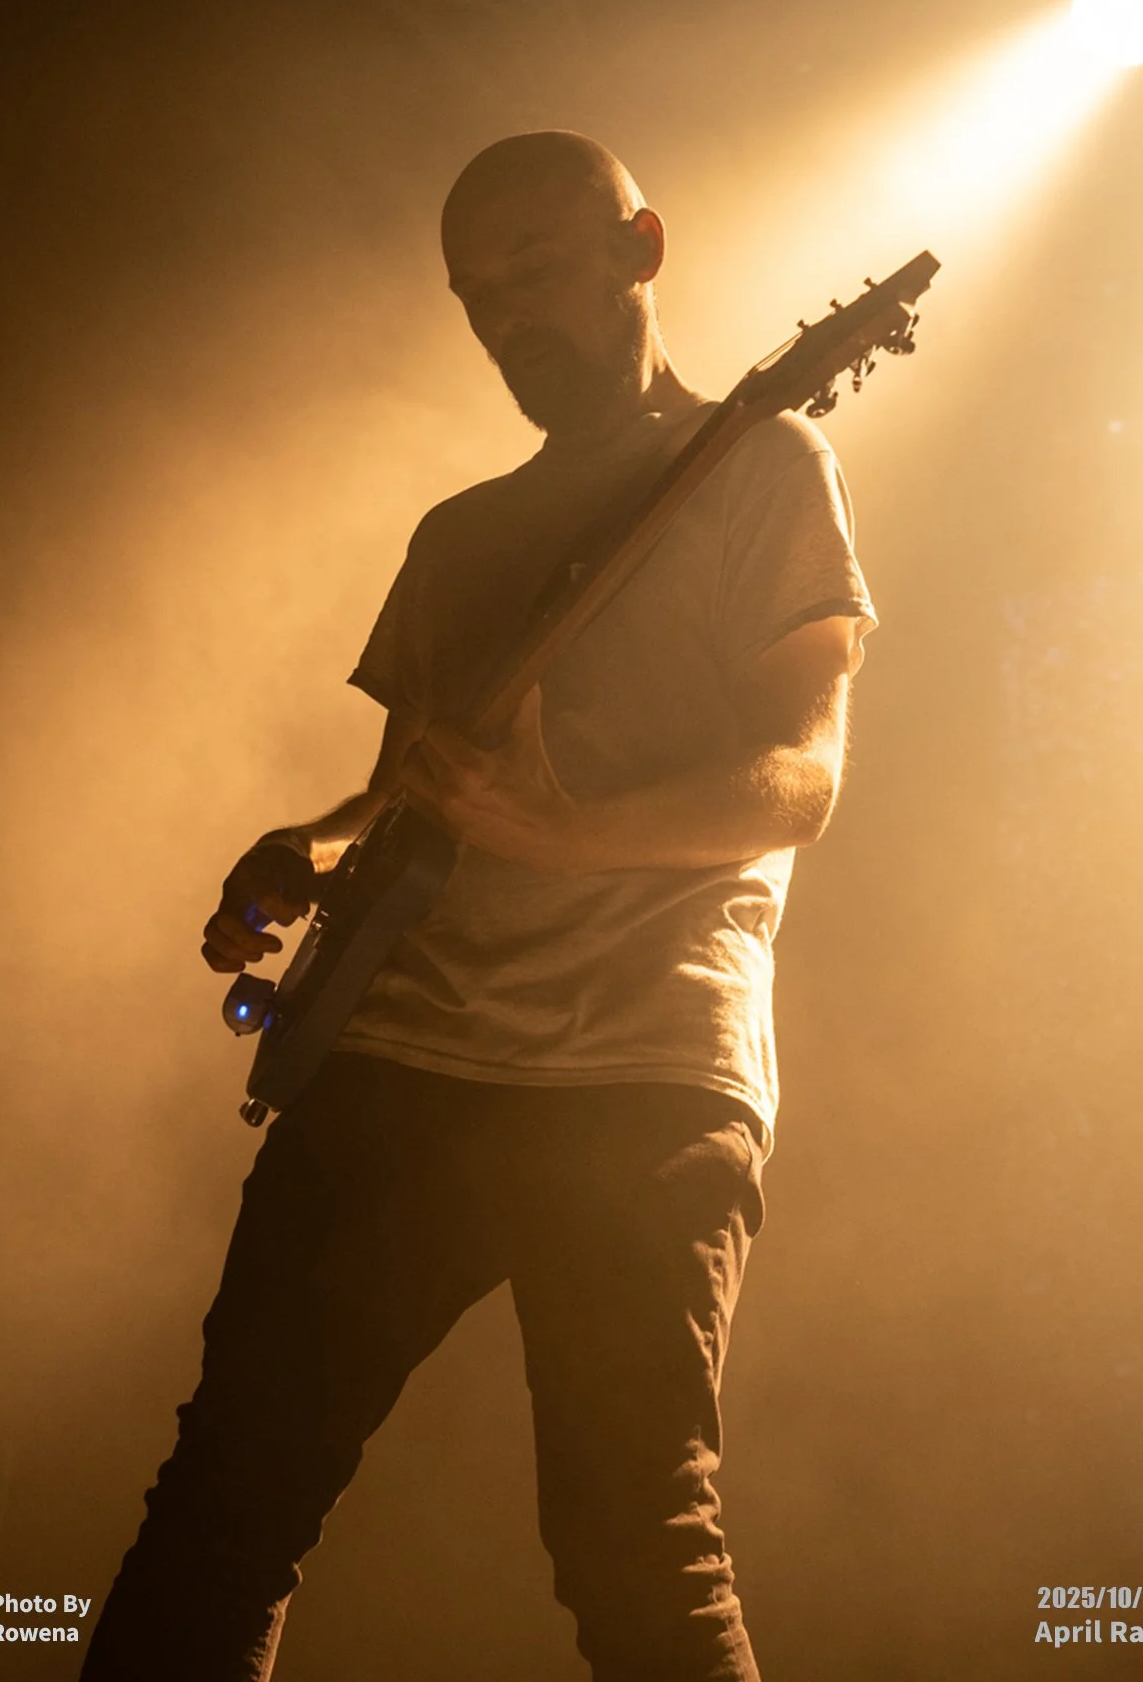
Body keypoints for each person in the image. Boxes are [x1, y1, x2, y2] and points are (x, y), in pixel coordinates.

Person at [81, 131, 875, 1682]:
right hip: (399, 1058)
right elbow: (408, 791)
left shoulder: (769, 465)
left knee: (636, 1544)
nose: (508, 318)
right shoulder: (458, 534)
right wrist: (305, 849)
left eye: (537, 272)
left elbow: (802, 778)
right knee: (221, 1514)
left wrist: (577, 838)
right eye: (475, 295)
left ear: (641, 249)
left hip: (646, 1071)